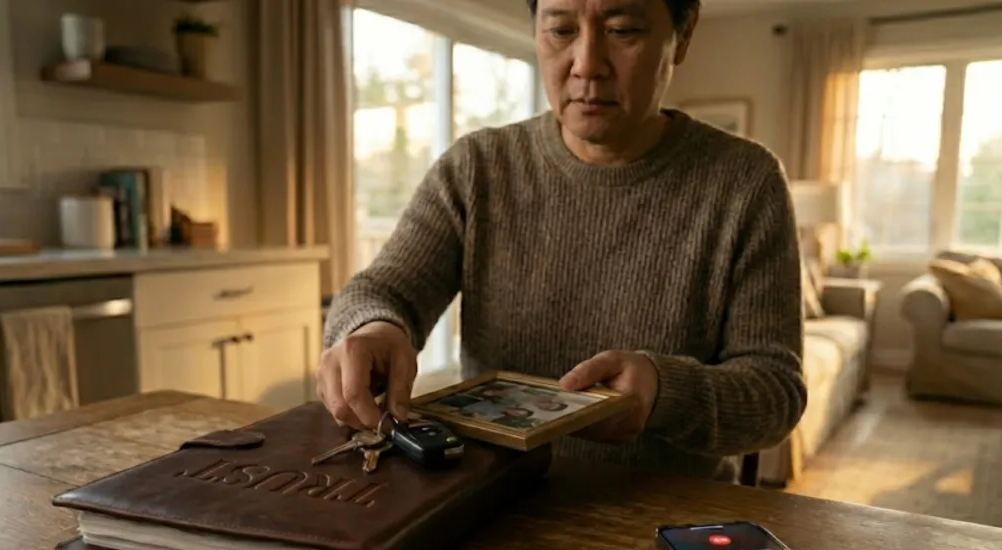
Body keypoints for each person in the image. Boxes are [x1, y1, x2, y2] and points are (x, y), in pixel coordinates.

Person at [317, 0, 807, 482]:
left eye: (622, 29)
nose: (587, 65)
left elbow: (775, 391)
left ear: (683, 34)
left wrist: (664, 393)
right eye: (561, 31)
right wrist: (374, 329)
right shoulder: (477, 169)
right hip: (493, 499)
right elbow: (381, 290)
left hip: (670, 514)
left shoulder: (746, 183)